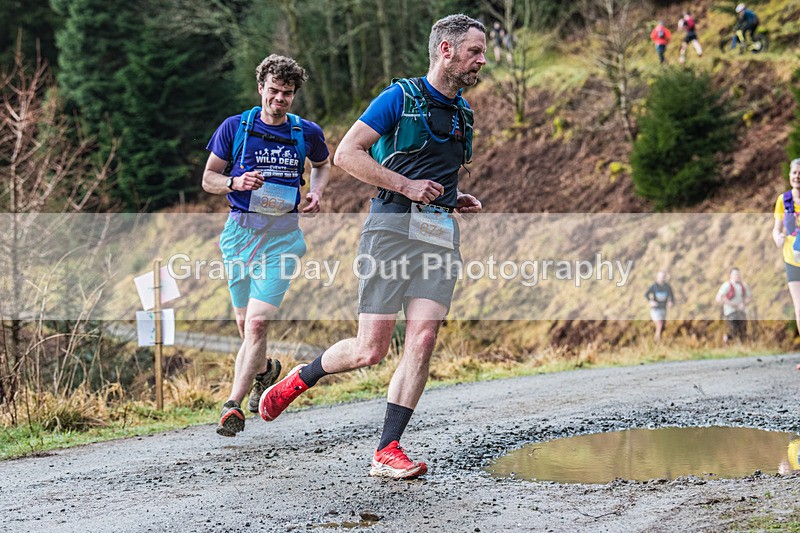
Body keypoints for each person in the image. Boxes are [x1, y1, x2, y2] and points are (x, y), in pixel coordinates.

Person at [258, 14, 486, 479]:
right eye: (474, 52)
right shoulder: (399, 98)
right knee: (371, 350)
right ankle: (305, 375)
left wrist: (451, 195)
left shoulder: (464, 113)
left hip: (439, 234)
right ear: (446, 50)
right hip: (389, 229)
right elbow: (346, 154)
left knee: (423, 338)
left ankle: (388, 448)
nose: (482, 60)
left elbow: (435, 174)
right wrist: (405, 185)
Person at [202, 54, 331, 437]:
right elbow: (209, 178)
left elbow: (323, 164)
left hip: (283, 239)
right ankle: (265, 371)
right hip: (239, 236)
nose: (279, 99)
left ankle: (232, 405)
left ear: (294, 94)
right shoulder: (235, 128)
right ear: (260, 87)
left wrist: (318, 192)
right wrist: (234, 183)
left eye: (286, 94)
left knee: (257, 324)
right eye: (273, 91)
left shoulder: (305, 132)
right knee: (245, 325)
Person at [776, 158, 800, 368]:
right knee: (799, 307)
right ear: (789, 176)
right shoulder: (783, 200)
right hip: (792, 258)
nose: (797, 177)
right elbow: (777, 228)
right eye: (794, 173)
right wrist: (777, 236)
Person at [715, 268, 751, 343]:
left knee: (743, 331)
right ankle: (726, 339)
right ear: (731, 275)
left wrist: (743, 304)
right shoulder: (727, 285)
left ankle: (743, 350)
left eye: (738, 274)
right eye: (735, 274)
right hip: (731, 312)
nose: (737, 276)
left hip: (741, 311)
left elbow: (748, 298)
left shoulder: (743, 285)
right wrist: (732, 304)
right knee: (733, 330)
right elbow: (718, 298)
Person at [645, 271, 675, 341]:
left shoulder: (667, 287)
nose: (662, 279)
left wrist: (671, 302)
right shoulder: (654, 286)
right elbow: (646, 294)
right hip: (655, 309)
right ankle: (656, 338)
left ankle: (659, 339)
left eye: (663, 277)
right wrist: (650, 301)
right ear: (657, 278)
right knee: (659, 322)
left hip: (663, 309)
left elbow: (672, 296)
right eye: (660, 277)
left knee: (662, 324)